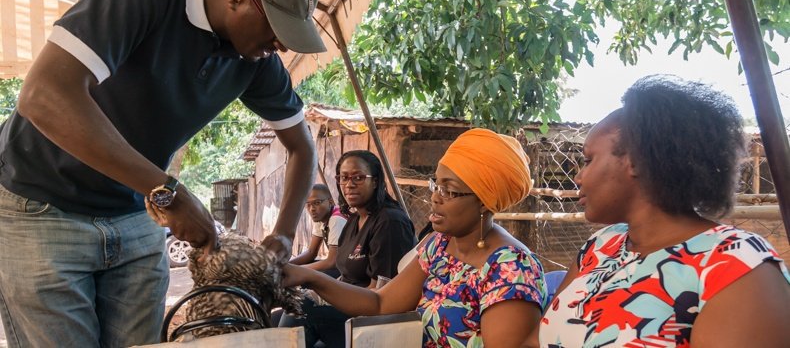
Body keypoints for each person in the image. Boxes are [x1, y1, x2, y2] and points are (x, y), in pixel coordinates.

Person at [0, 0, 321, 347]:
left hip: (135, 219)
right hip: (41, 209)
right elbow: (43, 96)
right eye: (278, 25)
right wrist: (168, 190)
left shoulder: (255, 60)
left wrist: (281, 235)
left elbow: (302, 146)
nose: (281, 43)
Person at [540, 75, 790, 347]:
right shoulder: (601, 247)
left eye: (588, 160)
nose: (579, 177)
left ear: (635, 160)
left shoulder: (735, 266)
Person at [284, 129, 547, 347]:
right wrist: (309, 278)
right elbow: (380, 302)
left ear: (483, 202)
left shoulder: (512, 269)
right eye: (436, 184)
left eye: (449, 190)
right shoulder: (440, 246)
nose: (434, 197)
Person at [279, 150, 417, 347]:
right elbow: (344, 277)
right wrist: (314, 293)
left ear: (376, 181)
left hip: (376, 323)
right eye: (343, 178)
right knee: (284, 314)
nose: (349, 184)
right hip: (350, 310)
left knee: (303, 313)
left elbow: (381, 295)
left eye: (358, 178)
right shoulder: (354, 220)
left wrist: (316, 286)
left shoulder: (390, 222)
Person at [290, 183, 348, 278]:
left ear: (330, 202)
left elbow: (332, 261)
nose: (312, 209)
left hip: (347, 270)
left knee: (306, 279)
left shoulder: (336, 219)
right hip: (338, 266)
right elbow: (311, 252)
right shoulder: (320, 218)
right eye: (308, 205)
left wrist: (297, 270)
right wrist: (286, 266)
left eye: (317, 203)